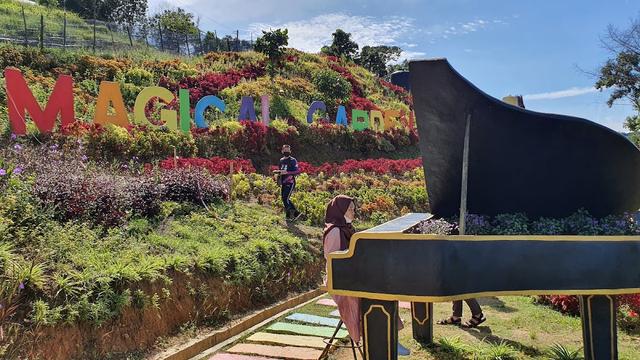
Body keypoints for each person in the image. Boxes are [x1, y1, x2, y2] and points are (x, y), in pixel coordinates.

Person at [323, 195, 410, 356]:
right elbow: (334, 261)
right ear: (340, 210)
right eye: (349, 209)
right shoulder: (334, 231)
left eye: (353, 209)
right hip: (340, 282)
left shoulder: (346, 228)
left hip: (351, 276)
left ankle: (390, 339)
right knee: (371, 295)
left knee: (384, 288)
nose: (353, 211)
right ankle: (380, 342)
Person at [276, 144, 302, 220]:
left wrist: (287, 172)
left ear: (290, 151)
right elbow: (281, 170)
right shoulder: (281, 160)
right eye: (285, 151)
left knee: (285, 198)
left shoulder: (293, 160)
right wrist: (278, 174)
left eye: (288, 151)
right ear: (282, 151)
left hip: (290, 182)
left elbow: (297, 171)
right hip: (283, 182)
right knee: (284, 198)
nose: (286, 152)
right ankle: (296, 213)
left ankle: (289, 215)